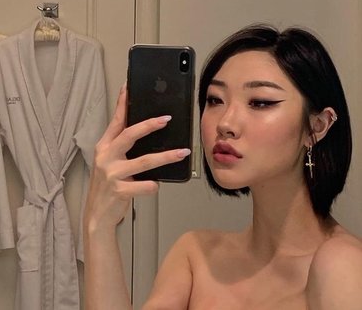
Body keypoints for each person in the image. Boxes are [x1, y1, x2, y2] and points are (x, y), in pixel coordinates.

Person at [83, 24, 362, 309]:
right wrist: (98, 226)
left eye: (260, 103)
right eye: (215, 100)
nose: (225, 123)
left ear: (318, 126)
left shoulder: (342, 265)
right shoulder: (195, 256)